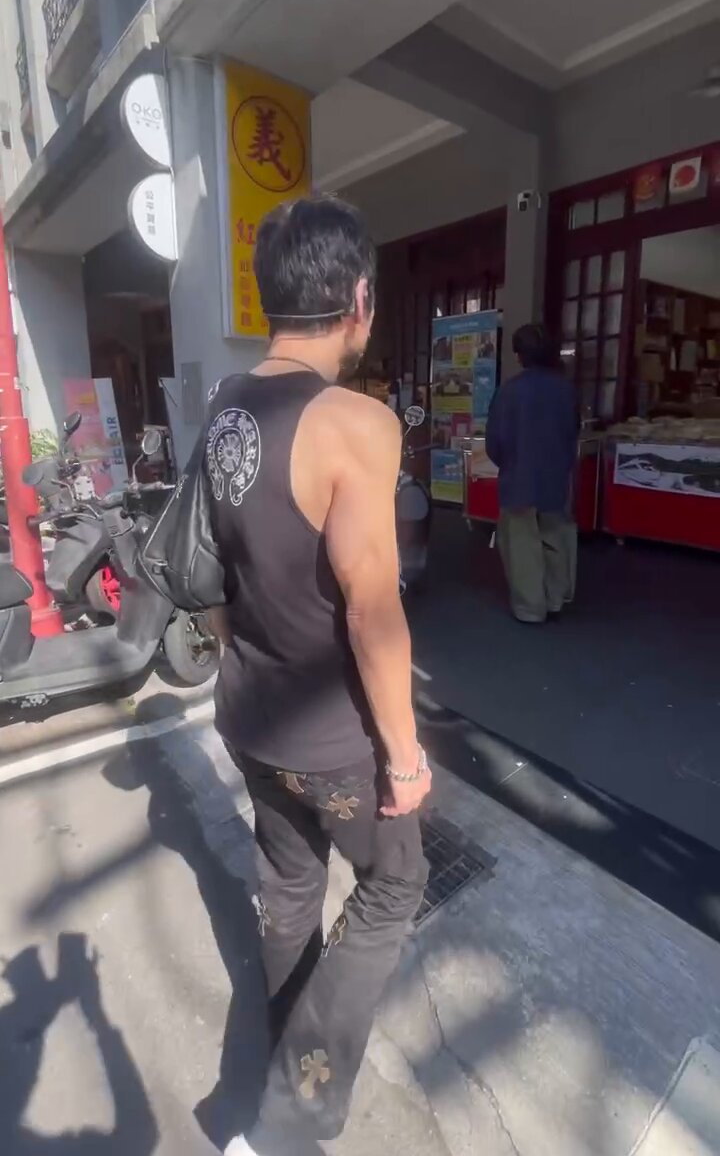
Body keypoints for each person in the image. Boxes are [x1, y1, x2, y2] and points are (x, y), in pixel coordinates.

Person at [206, 196, 431, 1156]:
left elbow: (211, 576)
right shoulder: (355, 422)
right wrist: (406, 758)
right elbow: (374, 612)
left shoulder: (224, 406)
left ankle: (284, 1057)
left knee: (292, 890)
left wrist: (238, 656)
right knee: (395, 884)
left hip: (247, 716)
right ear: (359, 299)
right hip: (331, 740)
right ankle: (290, 1120)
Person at [485, 323, 578, 624]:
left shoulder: (508, 392)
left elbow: (495, 442)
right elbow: (573, 432)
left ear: (520, 355)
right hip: (556, 477)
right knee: (555, 538)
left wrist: (509, 463)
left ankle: (530, 608)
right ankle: (555, 599)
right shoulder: (565, 390)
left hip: (518, 479)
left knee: (521, 544)